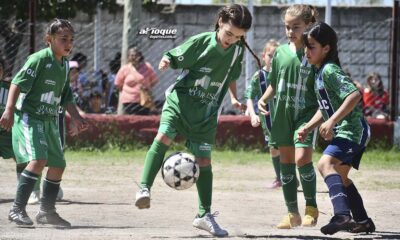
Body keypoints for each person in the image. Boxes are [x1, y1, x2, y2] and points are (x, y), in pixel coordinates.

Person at [134, 4, 258, 237]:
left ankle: (204, 215)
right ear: (220, 21)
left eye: (238, 36)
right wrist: (166, 61)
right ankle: (144, 189)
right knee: (163, 137)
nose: (231, 40)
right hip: (179, 104)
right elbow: (173, 55)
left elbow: (231, 75)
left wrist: (233, 97)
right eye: (229, 33)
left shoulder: (238, 50)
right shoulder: (202, 42)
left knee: (204, 160)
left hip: (206, 113)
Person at [0, 18, 87, 227]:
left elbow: (66, 95)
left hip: (49, 119)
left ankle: (47, 212)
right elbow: (16, 83)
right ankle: (16, 210)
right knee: (38, 160)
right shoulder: (38, 59)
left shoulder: (65, 64)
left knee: (58, 164)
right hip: (30, 117)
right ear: (49, 39)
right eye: (63, 39)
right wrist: (9, 110)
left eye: (71, 39)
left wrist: (76, 117)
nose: (68, 43)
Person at [298, 21, 375, 235]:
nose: (307, 51)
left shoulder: (330, 69)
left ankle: (342, 215)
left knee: (325, 163)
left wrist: (332, 122)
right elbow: (325, 109)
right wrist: (309, 126)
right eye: (306, 46)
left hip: (353, 130)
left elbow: (354, 95)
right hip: (347, 130)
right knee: (340, 176)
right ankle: (363, 221)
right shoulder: (318, 72)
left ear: (326, 48)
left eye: (311, 46)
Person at [258, 4, 319, 229]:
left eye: (296, 27)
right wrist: (263, 99)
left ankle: (311, 207)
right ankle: (292, 212)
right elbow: (275, 83)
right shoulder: (281, 53)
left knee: (302, 158)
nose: (290, 31)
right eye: (287, 27)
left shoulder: (314, 53)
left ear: (308, 25)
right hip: (282, 114)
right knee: (285, 162)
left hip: (305, 114)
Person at [245, 39, 282, 189]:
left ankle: (289, 177)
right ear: (263, 56)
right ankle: (279, 178)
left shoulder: (283, 74)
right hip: (268, 119)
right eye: (270, 55)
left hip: (284, 118)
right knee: (274, 148)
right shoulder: (258, 76)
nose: (273, 59)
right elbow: (249, 96)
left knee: (287, 148)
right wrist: (253, 115)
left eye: (276, 56)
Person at [115, 47, 158, 115]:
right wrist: (128, 91)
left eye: (135, 55)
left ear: (139, 56)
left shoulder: (147, 67)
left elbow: (154, 81)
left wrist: (146, 87)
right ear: (128, 57)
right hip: (129, 101)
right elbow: (118, 84)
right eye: (131, 55)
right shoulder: (124, 69)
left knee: (144, 120)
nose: (133, 57)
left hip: (144, 100)